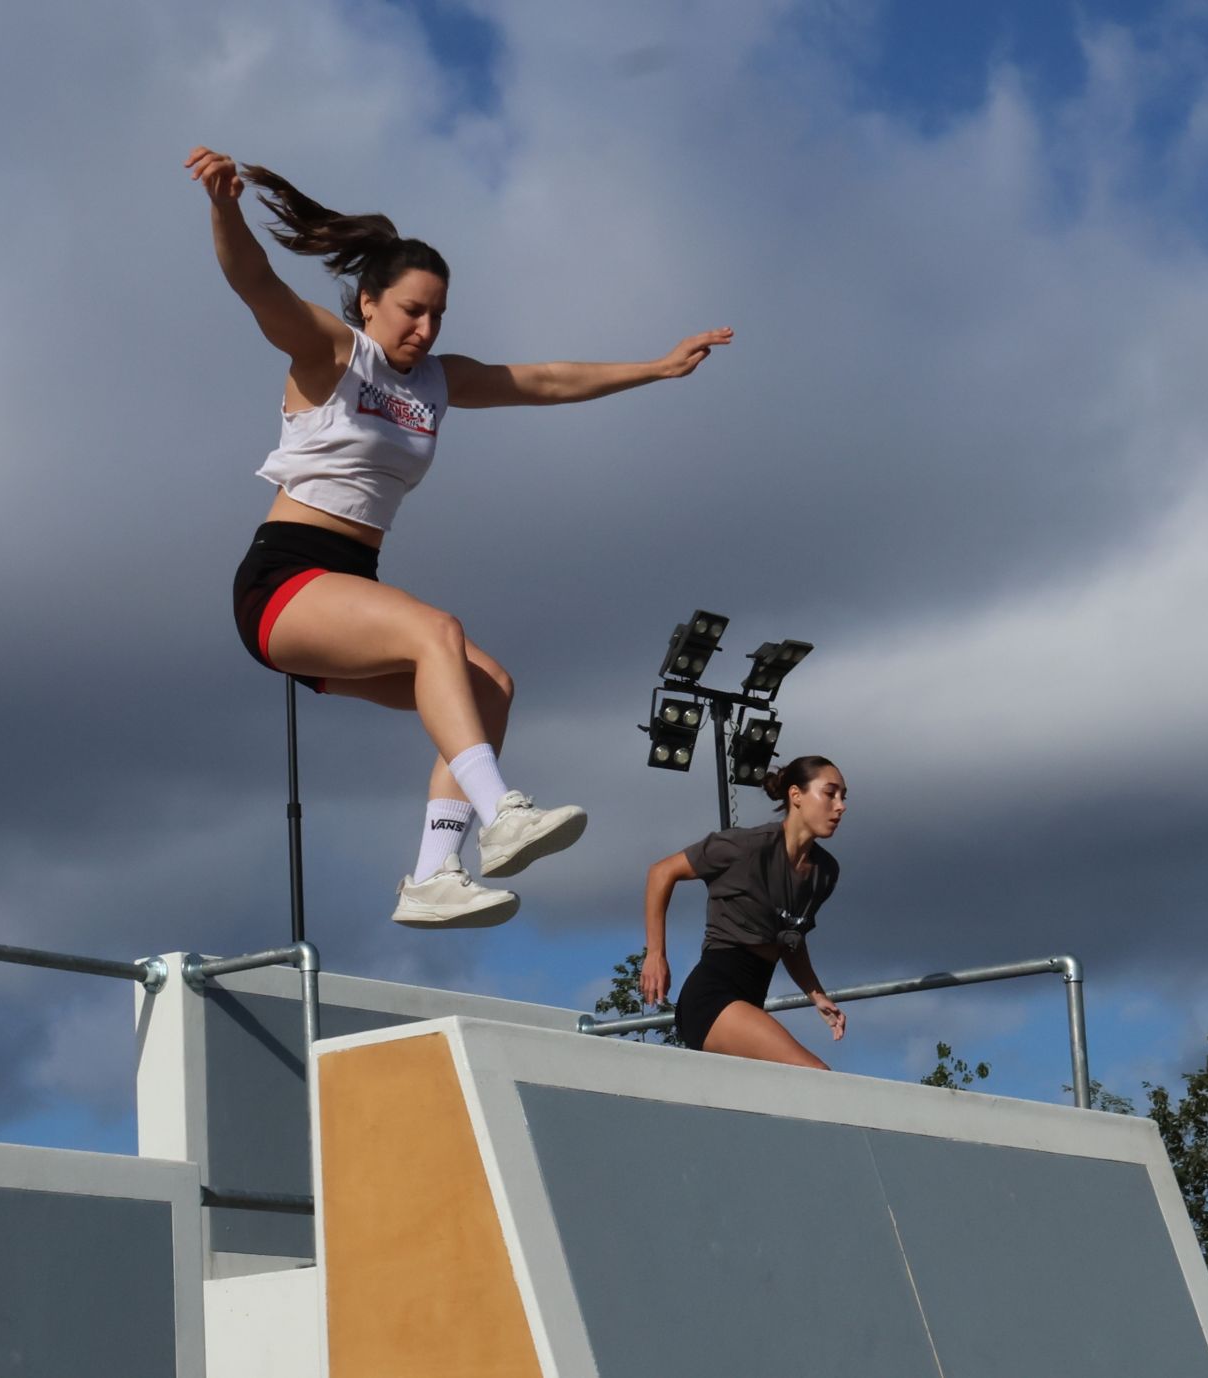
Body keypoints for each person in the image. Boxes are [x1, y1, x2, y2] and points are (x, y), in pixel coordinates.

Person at [186, 147, 733, 930]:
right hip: (283, 581)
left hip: (351, 586)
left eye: (439, 313)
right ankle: (500, 812)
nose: (427, 326)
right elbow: (255, 283)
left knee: (485, 688)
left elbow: (542, 380)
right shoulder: (332, 353)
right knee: (438, 631)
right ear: (369, 302)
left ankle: (433, 875)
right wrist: (224, 207)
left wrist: (654, 368)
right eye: (412, 309)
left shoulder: (436, 382)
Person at [639, 756, 848, 1066]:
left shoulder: (825, 872)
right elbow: (661, 873)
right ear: (796, 796)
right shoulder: (746, 847)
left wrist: (816, 994)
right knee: (815, 1073)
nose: (840, 805)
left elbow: (790, 940)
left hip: (751, 1001)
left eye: (844, 796)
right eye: (830, 793)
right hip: (712, 1000)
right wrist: (655, 954)